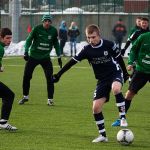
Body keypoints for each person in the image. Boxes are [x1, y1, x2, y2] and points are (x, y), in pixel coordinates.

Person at [52, 24, 128, 143]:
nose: (91, 40)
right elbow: (72, 62)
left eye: (93, 37)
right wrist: (59, 74)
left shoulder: (109, 45)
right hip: (102, 80)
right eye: (88, 37)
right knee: (96, 108)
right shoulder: (86, 50)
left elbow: (119, 59)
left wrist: (125, 74)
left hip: (115, 74)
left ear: (99, 35)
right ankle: (103, 136)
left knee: (116, 89)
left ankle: (122, 117)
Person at [112, 17, 149, 126]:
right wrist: (130, 62)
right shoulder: (143, 36)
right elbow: (133, 50)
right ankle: (121, 118)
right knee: (129, 94)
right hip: (141, 70)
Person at [18, 14, 62, 106]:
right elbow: (29, 40)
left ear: (50, 22)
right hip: (33, 56)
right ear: (42, 21)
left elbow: (56, 44)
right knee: (27, 76)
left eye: (49, 21)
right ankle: (25, 96)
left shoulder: (53, 31)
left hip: (45, 58)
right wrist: (26, 51)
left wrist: (59, 56)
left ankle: (50, 99)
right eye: (45, 21)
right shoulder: (36, 29)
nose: (47, 23)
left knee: (50, 78)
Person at [121, 17, 149, 83]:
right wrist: (124, 49)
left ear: (148, 24)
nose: (144, 24)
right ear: (140, 24)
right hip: (137, 55)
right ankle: (131, 80)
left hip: (147, 56)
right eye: (143, 23)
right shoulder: (136, 33)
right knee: (136, 69)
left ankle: (131, 78)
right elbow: (129, 40)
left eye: (145, 23)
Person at [0, 28, 17, 131]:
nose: (9, 40)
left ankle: (3, 122)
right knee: (9, 95)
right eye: (7, 38)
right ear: (1, 38)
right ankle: (3, 122)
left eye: (10, 38)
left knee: (7, 95)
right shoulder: (0, 49)